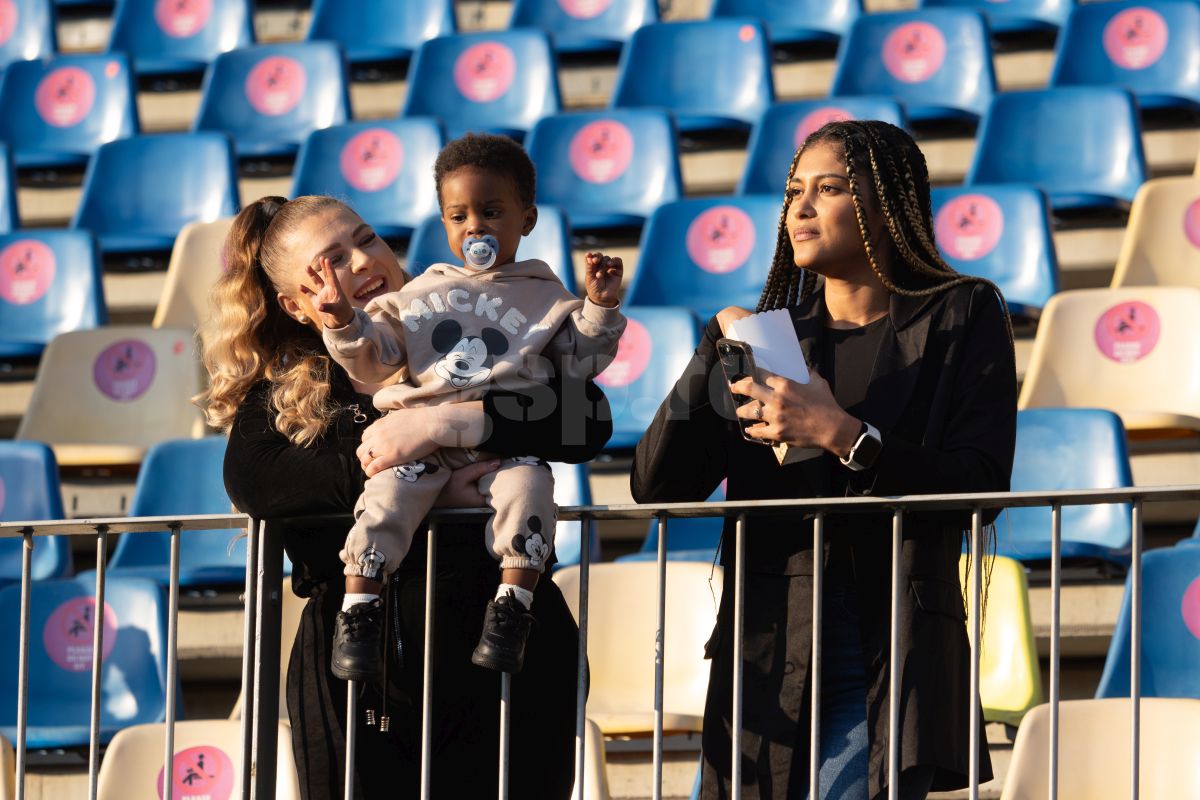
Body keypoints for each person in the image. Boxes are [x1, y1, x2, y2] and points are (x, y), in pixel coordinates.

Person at [630, 120, 1017, 800]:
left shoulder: (962, 312)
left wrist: (845, 435)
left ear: (886, 207)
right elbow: (656, 482)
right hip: (768, 641)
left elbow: (979, 483)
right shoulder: (768, 341)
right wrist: (710, 349)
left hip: (883, 640)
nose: (799, 209)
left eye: (829, 188)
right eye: (792, 191)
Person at [201, 193, 611, 798]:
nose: (363, 262)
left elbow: (587, 416)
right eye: (331, 260)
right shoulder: (291, 386)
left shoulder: (464, 319)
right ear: (295, 304)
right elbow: (256, 479)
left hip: (505, 642)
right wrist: (428, 485)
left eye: (366, 240)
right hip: (361, 660)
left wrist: (451, 426)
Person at [309, 132, 625, 681]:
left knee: (530, 489)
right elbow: (373, 358)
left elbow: (578, 369)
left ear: (526, 219)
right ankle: (359, 609)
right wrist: (341, 321)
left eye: (492, 211)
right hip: (422, 449)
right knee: (384, 497)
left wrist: (598, 307)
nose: (474, 226)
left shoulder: (546, 295)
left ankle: (511, 609)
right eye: (458, 215)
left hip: (501, 450)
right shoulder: (416, 294)